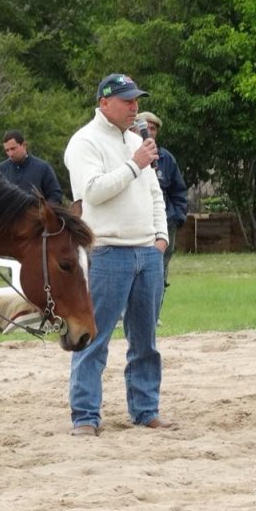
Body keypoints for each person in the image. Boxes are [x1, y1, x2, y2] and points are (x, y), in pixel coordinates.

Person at [64, 73, 175, 435]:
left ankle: (145, 410)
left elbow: (155, 193)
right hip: (108, 250)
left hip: (147, 254)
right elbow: (93, 192)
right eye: (127, 100)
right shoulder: (84, 142)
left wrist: (160, 237)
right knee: (94, 338)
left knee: (146, 341)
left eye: (136, 99)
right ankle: (85, 416)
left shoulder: (137, 141)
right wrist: (134, 164)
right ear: (104, 103)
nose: (135, 107)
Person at [134, 111, 188, 308]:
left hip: (164, 223)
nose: (148, 131)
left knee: (160, 267)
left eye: (153, 128)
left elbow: (179, 191)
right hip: (136, 224)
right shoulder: (126, 153)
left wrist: (177, 218)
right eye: (144, 127)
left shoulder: (166, 159)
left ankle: (156, 311)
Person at [0, 130, 63, 204]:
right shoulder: (1, 169)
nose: (10, 154)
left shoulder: (43, 167)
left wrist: (44, 211)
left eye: (13, 149)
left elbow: (55, 195)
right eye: (7, 150)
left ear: (24, 145)